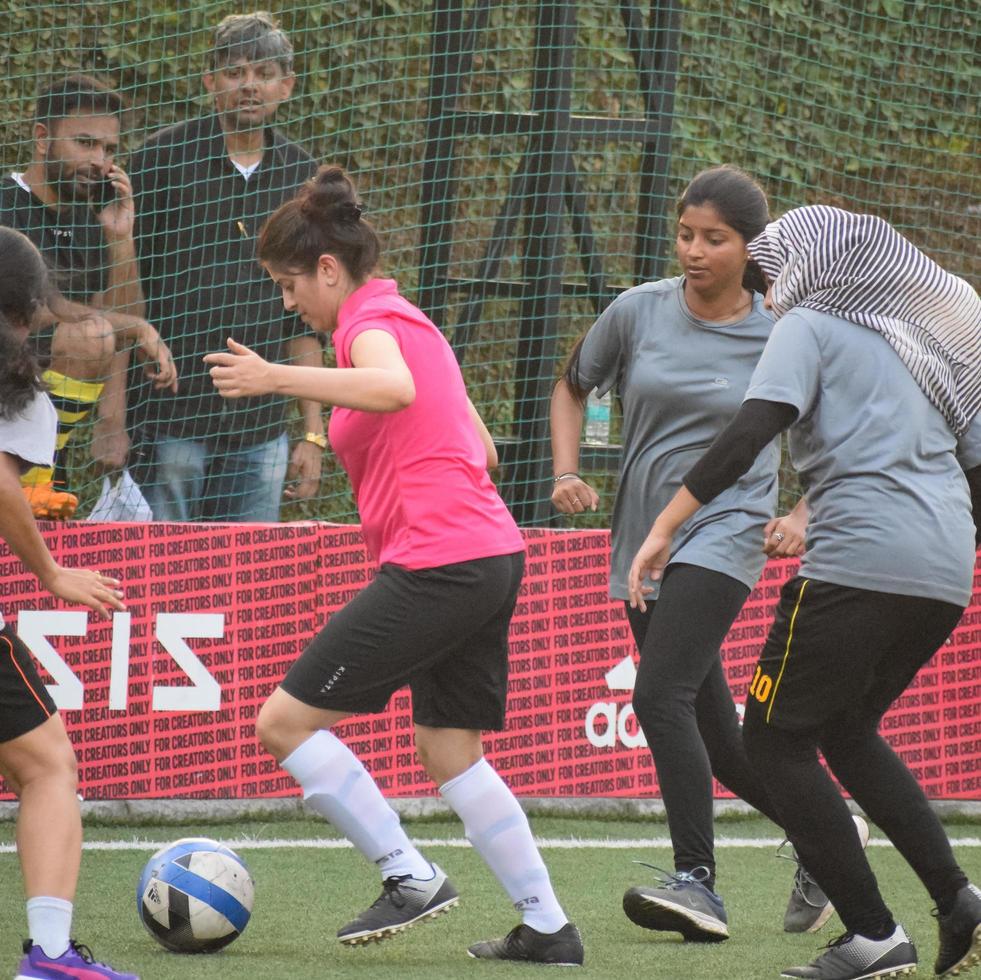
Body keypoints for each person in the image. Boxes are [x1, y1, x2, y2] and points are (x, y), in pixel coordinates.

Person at [203, 164, 584, 966]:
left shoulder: (371, 322)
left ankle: (407, 874)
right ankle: (547, 925)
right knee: (449, 751)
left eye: (288, 284)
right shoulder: (409, 316)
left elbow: (392, 387)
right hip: (486, 554)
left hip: (443, 562)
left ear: (329, 271)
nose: (286, 302)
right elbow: (475, 443)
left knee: (282, 721)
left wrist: (274, 377)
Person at [628, 204, 981, 980]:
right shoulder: (918, 343)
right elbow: (976, 464)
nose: (767, 283)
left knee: (772, 741)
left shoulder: (808, 324)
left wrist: (664, 527)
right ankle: (957, 899)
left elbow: (752, 428)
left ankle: (871, 935)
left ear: (809, 266)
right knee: (847, 731)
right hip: (943, 564)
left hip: (860, 558)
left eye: (770, 265)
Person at [550, 165, 850, 942]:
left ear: (750, 246)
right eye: (685, 233)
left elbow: (844, 437)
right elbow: (570, 384)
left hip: (726, 533)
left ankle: (698, 883)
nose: (693, 250)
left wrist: (802, 509)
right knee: (722, 747)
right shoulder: (636, 311)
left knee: (657, 697)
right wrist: (565, 471)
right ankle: (827, 838)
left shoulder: (787, 330)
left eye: (713, 239)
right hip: (639, 542)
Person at [0, 228, 135, 980]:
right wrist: (50, 572)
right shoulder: (19, 389)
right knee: (49, 766)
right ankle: (50, 956)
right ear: (30, 311)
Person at [128, 12, 324, 522]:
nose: (249, 86)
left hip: (263, 430)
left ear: (287, 85)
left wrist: (313, 433)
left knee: (250, 583)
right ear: (210, 81)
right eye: (236, 72)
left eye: (264, 73)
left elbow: (307, 317)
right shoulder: (159, 162)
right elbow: (122, 284)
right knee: (162, 579)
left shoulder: (305, 177)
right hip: (170, 418)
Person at [0, 74, 177, 519]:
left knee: (97, 333)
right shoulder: (4, 202)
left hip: (42, 410)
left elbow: (115, 322)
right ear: (43, 139)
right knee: (91, 332)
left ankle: (40, 469)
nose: (100, 161)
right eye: (85, 143)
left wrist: (120, 237)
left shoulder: (89, 218)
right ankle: (29, 468)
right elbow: (39, 311)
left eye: (109, 149)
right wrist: (136, 327)